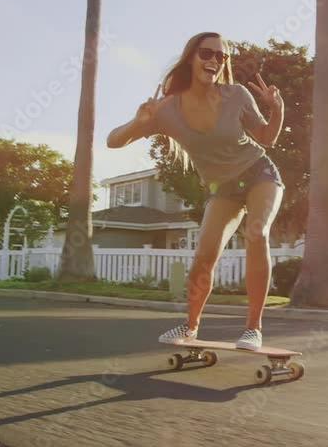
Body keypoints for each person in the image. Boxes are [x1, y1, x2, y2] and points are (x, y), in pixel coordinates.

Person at [106, 32, 285, 350]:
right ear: (190, 57)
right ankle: (190, 326)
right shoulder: (166, 109)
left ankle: (253, 329)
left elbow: (267, 138)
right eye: (207, 53)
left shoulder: (237, 94)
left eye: (221, 56)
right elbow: (114, 140)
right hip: (223, 189)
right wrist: (138, 122)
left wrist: (276, 110)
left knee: (256, 234)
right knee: (204, 256)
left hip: (259, 174)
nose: (214, 60)